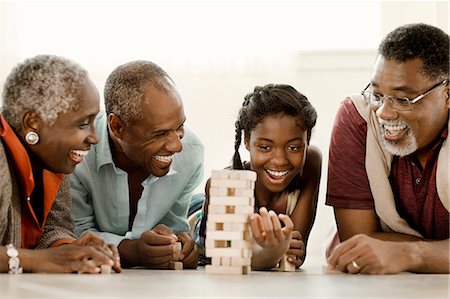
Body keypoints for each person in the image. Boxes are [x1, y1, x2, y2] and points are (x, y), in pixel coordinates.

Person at [326, 23, 449, 274]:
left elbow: (375, 245)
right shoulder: (357, 119)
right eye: (378, 95)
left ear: (447, 95)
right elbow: (358, 243)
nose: (384, 112)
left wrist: (410, 254)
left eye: (403, 99)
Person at [71, 60, 204, 269]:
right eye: (160, 134)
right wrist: (133, 251)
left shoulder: (191, 153)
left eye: (179, 127)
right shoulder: (77, 153)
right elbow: (74, 234)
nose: (176, 146)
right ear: (117, 127)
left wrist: (180, 245)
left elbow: (174, 225)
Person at [0, 54, 121, 273]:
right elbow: (38, 256)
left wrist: (72, 250)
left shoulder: (53, 160)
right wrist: (36, 261)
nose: (94, 138)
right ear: (32, 123)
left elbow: (53, 229)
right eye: (83, 124)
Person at [199, 84, 322, 270]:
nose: (279, 161)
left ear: (307, 142)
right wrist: (273, 251)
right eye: (265, 147)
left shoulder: (311, 162)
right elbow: (228, 257)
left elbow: (294, 252)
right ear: (247, 141)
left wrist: (281, 250)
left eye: (294, 147)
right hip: (198, 216)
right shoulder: (225, 187)